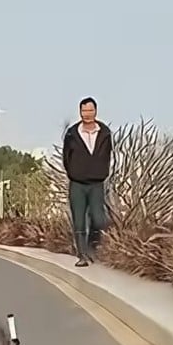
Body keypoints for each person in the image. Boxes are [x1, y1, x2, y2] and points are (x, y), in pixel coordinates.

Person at [62, 96, 113, 267]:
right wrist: (74, 172)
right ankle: (82, 255)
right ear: (80, 112)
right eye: (84, 111)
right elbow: (66, 157)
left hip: (97, 182)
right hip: (77, 183)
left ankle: (92, 246)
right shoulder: (72, 133)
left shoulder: (104, 132)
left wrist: (101, 171)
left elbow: (107, 154)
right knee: (79, 220)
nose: (87, 114)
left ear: (95, 111)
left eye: (90, 110)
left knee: (99, 219)